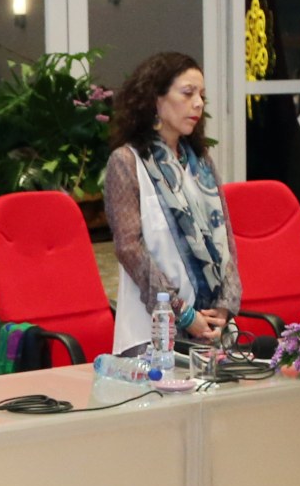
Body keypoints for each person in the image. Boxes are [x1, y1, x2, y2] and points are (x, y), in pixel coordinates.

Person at [100, 51, 241, 350]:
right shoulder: (127, 161)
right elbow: (130, 249)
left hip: (211, 329)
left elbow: (226, 240)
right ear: (155, 99)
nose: (198, 103)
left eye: (202, 95)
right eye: (188, 93)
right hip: (151, 331)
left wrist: (224, 306)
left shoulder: (202, 163)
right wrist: (181, 312)